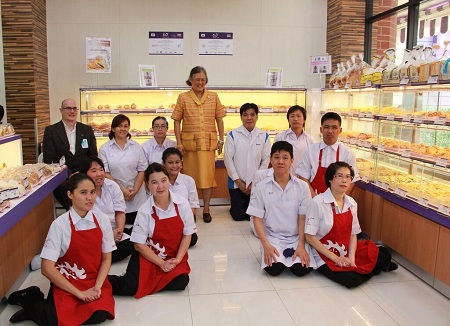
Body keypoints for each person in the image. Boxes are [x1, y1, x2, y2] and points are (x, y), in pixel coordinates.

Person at [7, 173, 115, 325]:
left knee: (99, 315)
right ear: (70, 194)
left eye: (92, 192)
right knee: (53, 318)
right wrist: (79, 293)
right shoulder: (59, 225)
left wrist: (97, 287)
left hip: (93, 280)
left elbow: (106, 258)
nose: (89, 197)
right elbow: (47, 268)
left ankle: (37, 309)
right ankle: (29, 297)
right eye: (83, 193)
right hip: (67, 279)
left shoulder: (102, 220)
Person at [108, 163, 196, 298]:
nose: (160, 186)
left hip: (173, 256)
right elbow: (139, 245)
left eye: (163, 180)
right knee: (129, 287)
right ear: (147, 185)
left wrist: (177, 259)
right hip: (149, 255)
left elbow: (187, 235)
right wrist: (161, 263)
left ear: (168, 180)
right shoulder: (144, 210)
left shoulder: (182, 204)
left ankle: (152, 281)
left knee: (181, 282)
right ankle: (97, 281)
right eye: (154, 182)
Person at [305, 162, 397, 288]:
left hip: (346, 249)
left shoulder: (351, 203)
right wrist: (337, 259)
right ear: (330, 179)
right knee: (351, 280)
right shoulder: (317, 203)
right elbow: (309, 237)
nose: (344, 180)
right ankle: (375, 269)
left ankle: (373, 267)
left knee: (385, 254)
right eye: (340, 176)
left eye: (348, 177)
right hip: (324, 253)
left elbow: (353, 235)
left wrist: (352, 260)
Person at [246, 141, 315, 276]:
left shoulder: (302, 186)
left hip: (296, 237)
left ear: (292, 161)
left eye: (285, 158)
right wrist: (266, 245)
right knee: (274, 270)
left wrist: (301, 244)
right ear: (271, 160)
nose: (280, 162)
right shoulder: (261, 187)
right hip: (272, 237)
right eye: (276, 157)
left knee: (302, 270)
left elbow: (303, 218)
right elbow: (257, 219)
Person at [171, 66, 226, 223]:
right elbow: (176, 121)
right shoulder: (183, 97)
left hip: (208, 144)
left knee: (208, 179)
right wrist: (179, 143)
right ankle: (191, 210)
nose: (200, 82)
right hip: (189, 146)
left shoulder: (213, 97)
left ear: (206, 80)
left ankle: (206, 209)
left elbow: (220, 120)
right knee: (190, 180)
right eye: (197, 80)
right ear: (191, 80)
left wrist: (221, 140)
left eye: (203, 79)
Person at [43, 98, 98, 210]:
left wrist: (83, 172)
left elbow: (93, 155)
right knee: (65, 187)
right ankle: (74, 212)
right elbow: (49, 159)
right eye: (68, 108)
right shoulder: (51, 131)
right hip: (62, 175)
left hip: (84, 172)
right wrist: (68, 174)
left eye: (74, 108)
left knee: (89, 186)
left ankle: (86, 213)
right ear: (61, 110)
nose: (72, 111)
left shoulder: (86, 130)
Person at [79, 156, 135, 263]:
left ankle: (100, 257)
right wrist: (107, 237)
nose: (99, 174)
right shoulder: (81, 193)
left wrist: (119, 231)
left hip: (114, 232)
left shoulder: (112, 186)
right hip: (93, 235)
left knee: (130, 244)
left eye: (101, 170)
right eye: (94, 171)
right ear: (85, 174)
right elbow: (84, 224)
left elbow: (120, 211)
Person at [224, 103, 271, 221]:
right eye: (245, 115)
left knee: (251, 216)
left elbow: (266, 160)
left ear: (257, 117)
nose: (249, 118)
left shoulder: (264, 136)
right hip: (236, 183)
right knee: (238, 216)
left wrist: (254, 183)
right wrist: (239, 182)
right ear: (241, 117)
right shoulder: (233, 135)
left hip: (256, 183)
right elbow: (228, 160)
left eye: (252, 114)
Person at [296, 112, 359, 197]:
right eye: (326, 127)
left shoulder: (347, 153)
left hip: (337, 204)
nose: (330, 131)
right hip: (313, 199)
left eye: (334, 128)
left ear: (340, 130)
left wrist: (338, 200)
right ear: (321, 129)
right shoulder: (311, 150)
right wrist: (315, 200)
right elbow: (303, 178)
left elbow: (352, 181)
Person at [99, 114, 148, 225]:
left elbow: (142, 170)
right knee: (118, 224)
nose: (123, 129)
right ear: (113, 128)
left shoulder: (136, 147)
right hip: (115, 192)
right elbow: (105, 173)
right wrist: (122, 190)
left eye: (126, 126)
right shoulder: (105, 148)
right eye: (119, 126)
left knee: (137, 225)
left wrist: (134, 190)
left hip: (137, 195)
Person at [162, 147, 199, 247]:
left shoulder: (188, 180)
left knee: (193, 240)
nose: (174, 166)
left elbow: (193, 205)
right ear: (164, 164)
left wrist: (182, 224)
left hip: (184, 219)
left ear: (181, 163)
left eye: (177, 162)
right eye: (170, 162)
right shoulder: (159, 182)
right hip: (164, 219)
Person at [274, 105, 314, 174]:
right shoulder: (280, 137)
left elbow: (312, 161)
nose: (295, 119)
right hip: (284, 177)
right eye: (292, 116)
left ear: (304, 119)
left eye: (298, 116)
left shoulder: (309, 139)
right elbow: (275, 158)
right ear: (288, 120)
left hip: (303, 178)